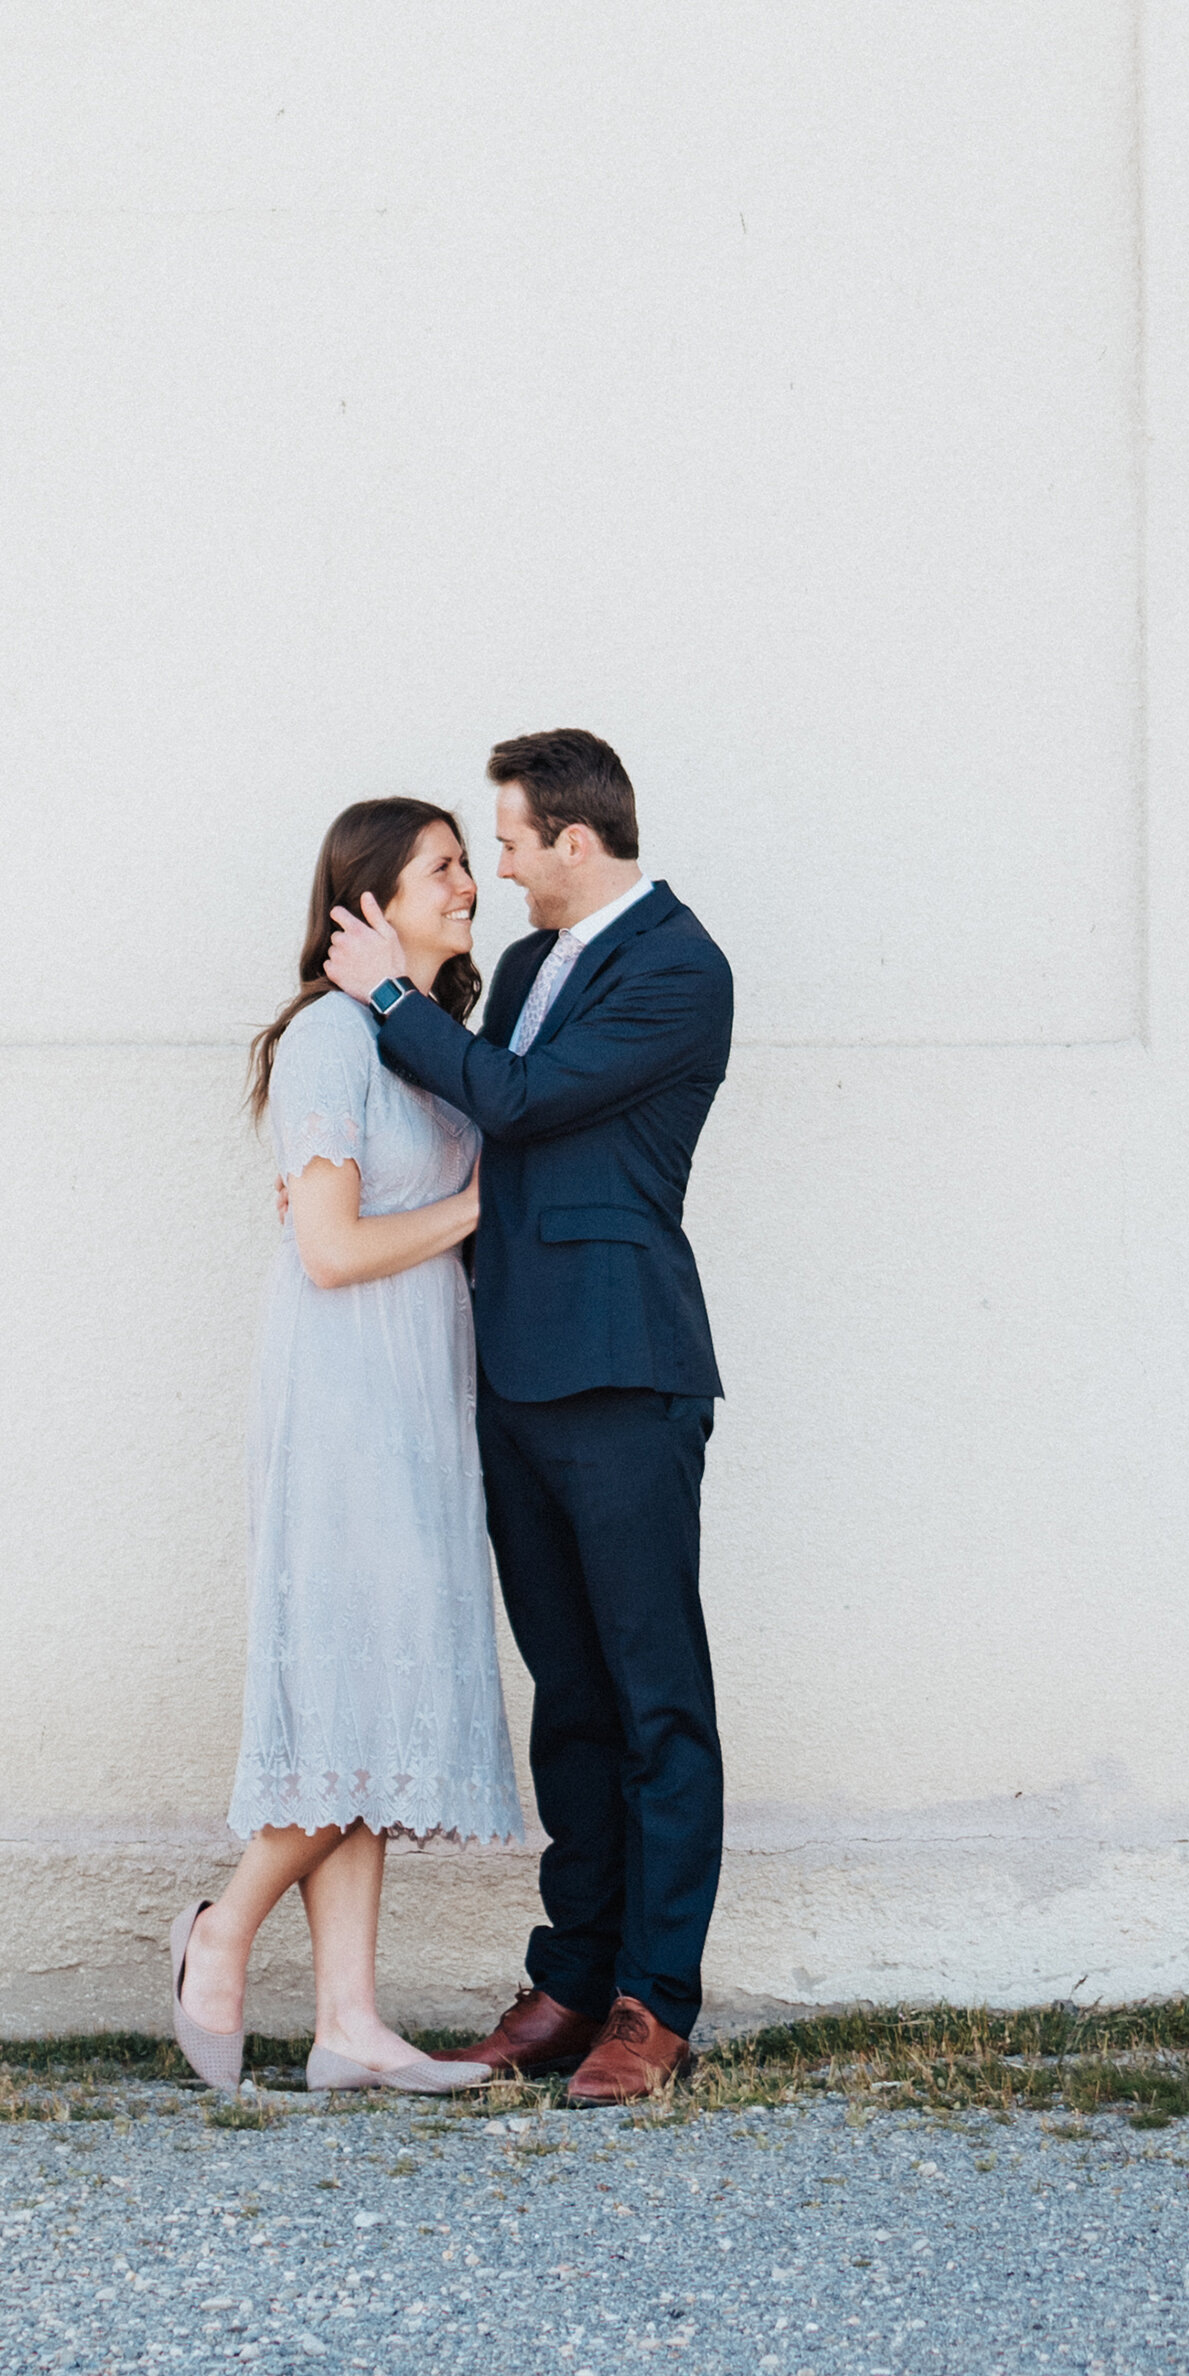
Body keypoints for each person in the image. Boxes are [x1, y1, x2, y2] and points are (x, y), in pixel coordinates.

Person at [324, 728, 731, 2107]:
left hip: (623, 1371)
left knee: (652, 1696)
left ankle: (651, 2003)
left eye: (505, 840)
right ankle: (569, 1980)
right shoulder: (525, 969)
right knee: (569, 1696)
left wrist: (389, 999)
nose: (494, 867)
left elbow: (520, 1102)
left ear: (574, 839)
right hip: (512, 1372)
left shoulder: (679, 968)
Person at [172, 798, 521, 2099]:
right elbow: (329, 1250)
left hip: (417, 1399)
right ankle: (224, 1929)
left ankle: (348, 2025)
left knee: (374, 1705)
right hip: (343, 1409)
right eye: (444, 867)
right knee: (352, 1709)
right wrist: (483, 1203)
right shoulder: (330, 1039)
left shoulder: (421, 1047)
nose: (470, 885)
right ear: (369, 900)